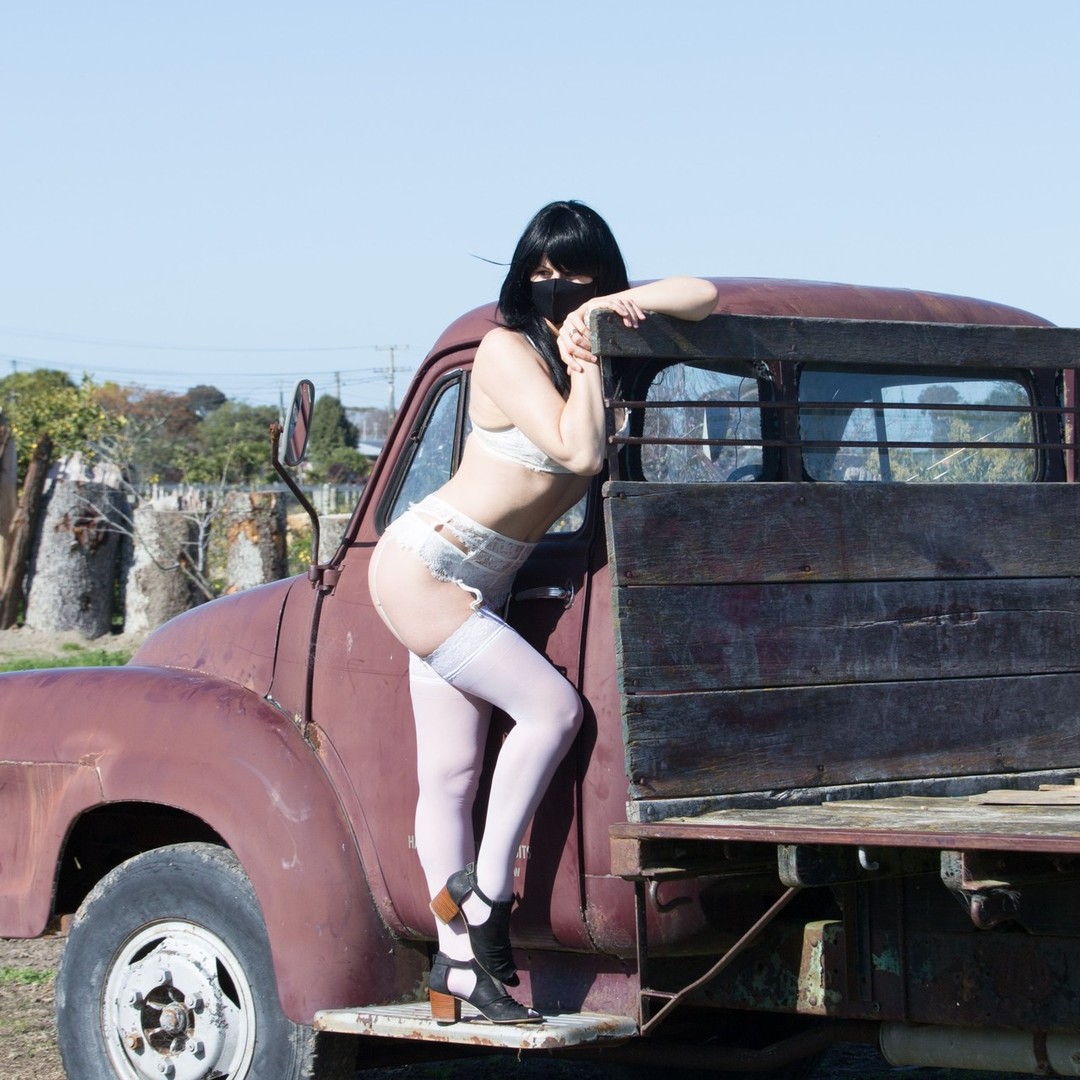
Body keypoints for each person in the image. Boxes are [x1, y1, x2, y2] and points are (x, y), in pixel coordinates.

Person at [367, 200, 718, 1024]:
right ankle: (487, 897)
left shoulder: (592, 324)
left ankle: (456, 970)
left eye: (575, 271)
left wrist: (605, 313)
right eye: (541, 270)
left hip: (486, 576)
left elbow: (702, 294)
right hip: (427, 563)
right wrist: (589, 351)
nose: (556, 283)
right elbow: (579, 450)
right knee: (551, 712)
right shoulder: (506, 350)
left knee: (453, 774)